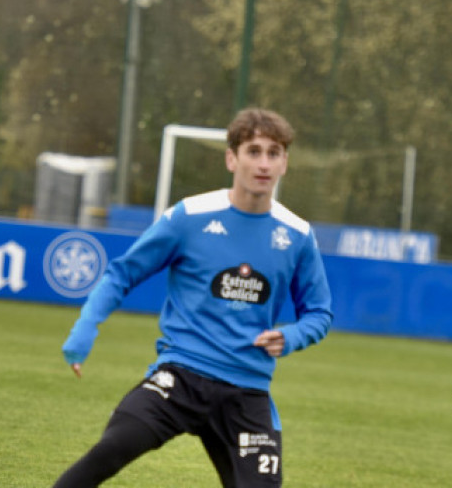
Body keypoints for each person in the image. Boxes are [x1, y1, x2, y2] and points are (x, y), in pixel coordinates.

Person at [54, 108, 333, 488]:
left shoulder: (297, 236)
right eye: (253, 151)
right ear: (231, 158)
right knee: (111, 449)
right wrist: (85, 328)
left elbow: (319, 313)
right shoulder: (190, 216)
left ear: (285, 162)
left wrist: (292, 336)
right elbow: (123, 272)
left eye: (274, 152)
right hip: (181, 376)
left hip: (247, 390)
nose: (264, 163)